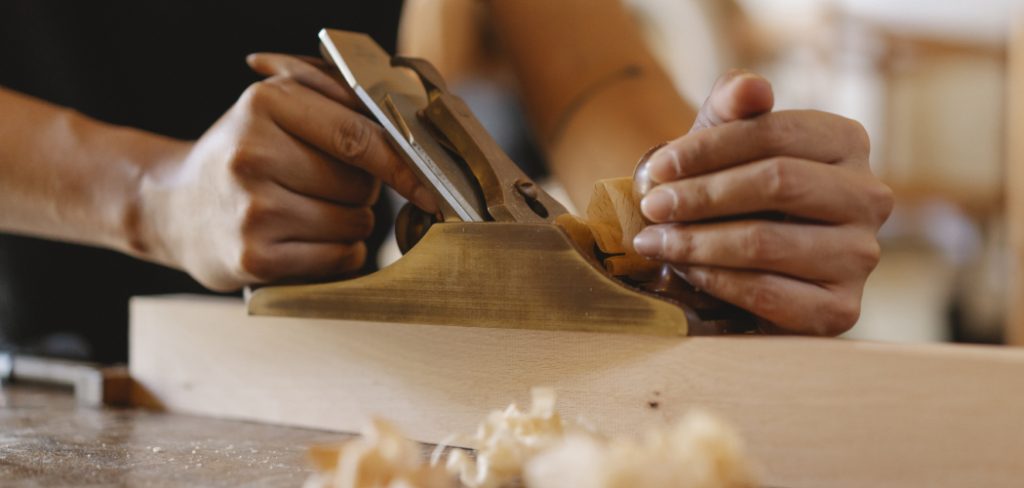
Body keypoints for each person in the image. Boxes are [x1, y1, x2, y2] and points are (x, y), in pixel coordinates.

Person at [0, 0, 891, 361]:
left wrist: (708, 211)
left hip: (354, 370)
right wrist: (153, 194)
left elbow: (593, 81)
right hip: (43, 368)